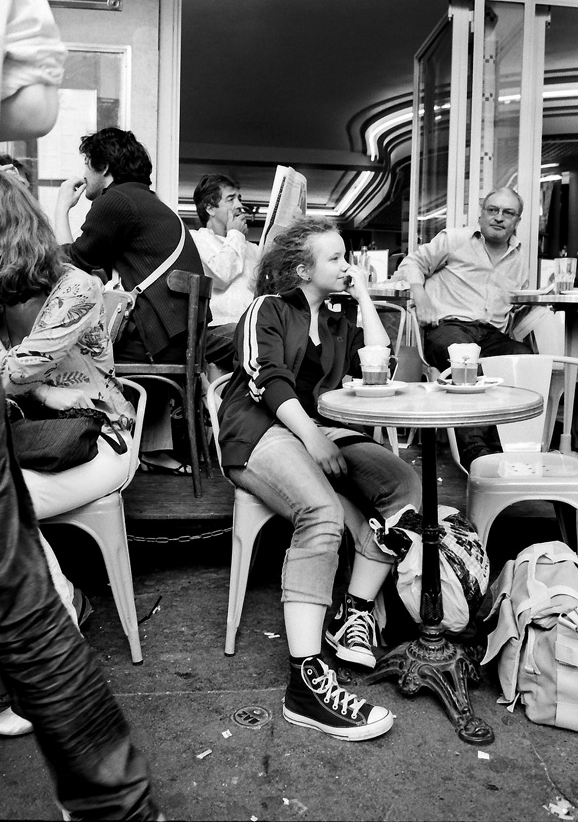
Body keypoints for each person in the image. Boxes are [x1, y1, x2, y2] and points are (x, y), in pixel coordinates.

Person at [0, 0, 162, 817]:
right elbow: (29, 99)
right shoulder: (54, 280)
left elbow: (19, 378)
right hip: (61, 431)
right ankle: (51, 622)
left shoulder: (76, 289)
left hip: (101, 438)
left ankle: (50, 638)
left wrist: (3, 350)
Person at [217, 216, 422, 741]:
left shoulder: (335, 322)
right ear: (302, 268)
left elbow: (383, 363)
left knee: (403, 485)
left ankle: (351, 612)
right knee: (324, 512)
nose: (346, 265)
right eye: (335, 258)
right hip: (261, 432)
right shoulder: (269, 309)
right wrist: (313, 440)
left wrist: (368, 298)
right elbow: (265, 380)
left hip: (320, 431)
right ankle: (305, 683)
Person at [0, 168, 138, 735]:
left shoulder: (76, 286)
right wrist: (39, 387)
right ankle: (62, 603)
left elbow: (8, 374)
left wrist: (33, 383)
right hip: (27, 440)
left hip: (96, 440)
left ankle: (56, 670)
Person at [54, 127, 205, 473]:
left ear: (104, 167)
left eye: (88, 167)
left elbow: (71, 265)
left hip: (160, 341)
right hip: (182, 340)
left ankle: (97, 456)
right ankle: (150, 449)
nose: (84, 176)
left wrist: (62, 208)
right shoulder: (147, 202)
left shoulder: (116, 201)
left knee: (65, 353)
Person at [393, 187, 532, 469]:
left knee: (523, 359)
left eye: (508, 213)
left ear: (517, 220)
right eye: (493, 210)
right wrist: (421, 298)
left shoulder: (518, 256)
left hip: (491, 333)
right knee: (465, 360)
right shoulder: (455, 239)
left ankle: (510, 447)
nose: (499, 217)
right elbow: (411, 263)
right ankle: (476, 454)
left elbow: (519, 299)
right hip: (449, 326)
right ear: (481, 214)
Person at [191, 173, 259, 373]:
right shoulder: (195, 240)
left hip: (251, 327)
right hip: (215, 331)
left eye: (240, 198)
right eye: (231, 199)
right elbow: (220, 276)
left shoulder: (253, 249)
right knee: (254, 338)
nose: (239, 205)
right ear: (210, 208)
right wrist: (235, 234)